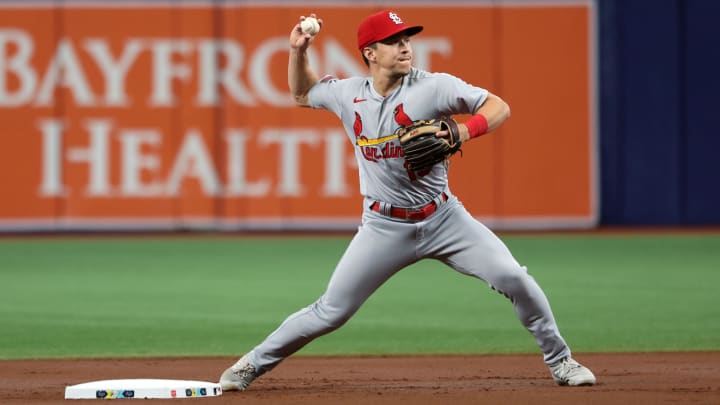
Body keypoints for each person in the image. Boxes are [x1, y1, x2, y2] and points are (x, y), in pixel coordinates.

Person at [219, 9, 596, 390]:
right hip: (383, 227)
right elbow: (302, 93)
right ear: (370, 52)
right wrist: (298, 52)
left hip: (445, 218)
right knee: (331, 311)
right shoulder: (349, 94)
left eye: (407, 39)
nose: (405, 47)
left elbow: (499, 107)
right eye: (394, 41)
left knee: (513, 277)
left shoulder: (434, 87)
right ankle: (249, 365)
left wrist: (463, 133)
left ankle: (561, 360)